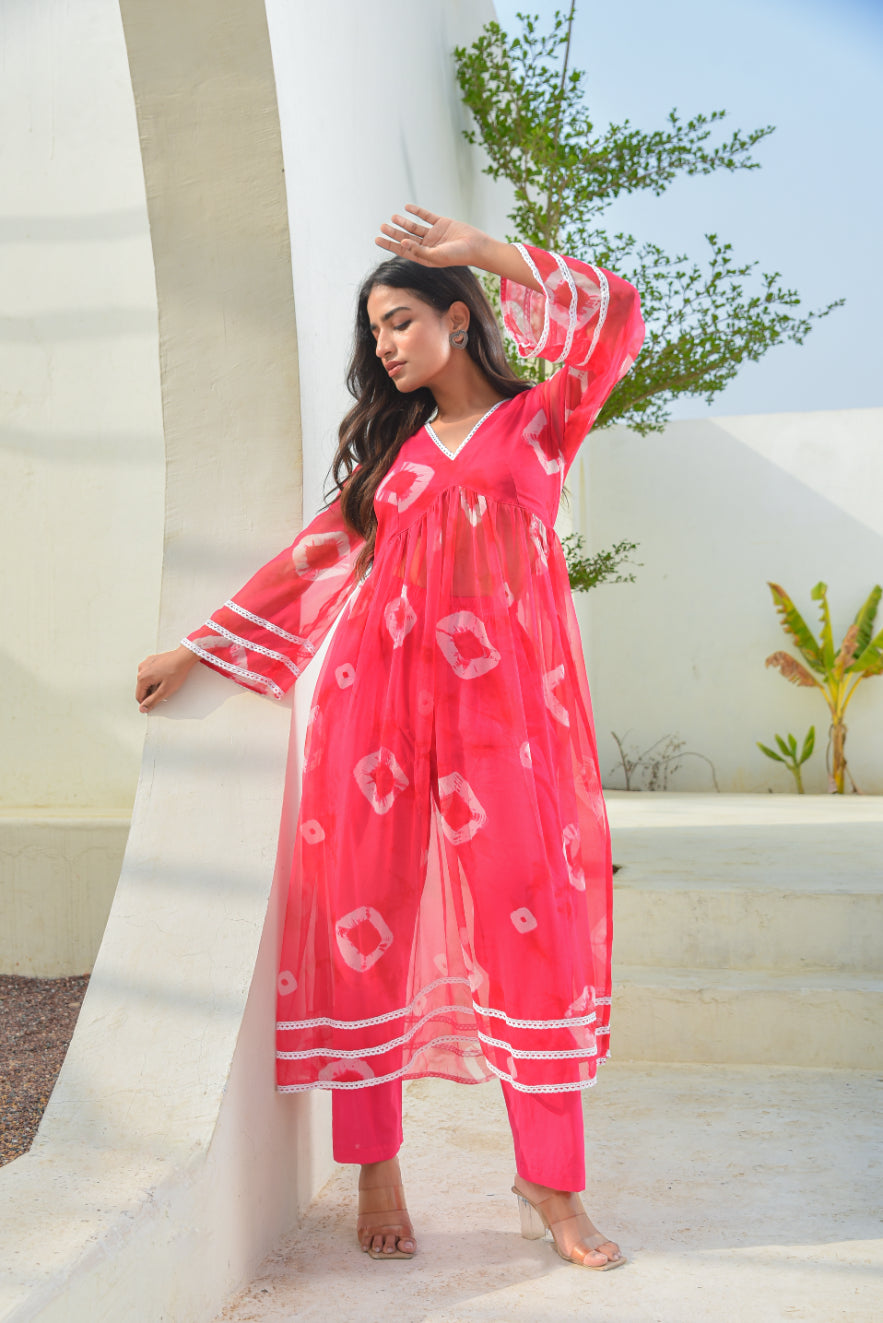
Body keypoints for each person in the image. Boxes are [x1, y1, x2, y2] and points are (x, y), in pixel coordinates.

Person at [136, 206, 644, 1270]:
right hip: (374, 719)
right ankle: (375, 1164)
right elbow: (310, 561)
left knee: (533, 940)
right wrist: (197, 649)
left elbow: (615, 314)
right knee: (363, 916)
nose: (385, 346)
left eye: (402, 321)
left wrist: (487, 253)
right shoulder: (391, 462)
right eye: (375, 333)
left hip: (508, 727)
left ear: (459, 321)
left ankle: (550, 1189)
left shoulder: (542, 423)